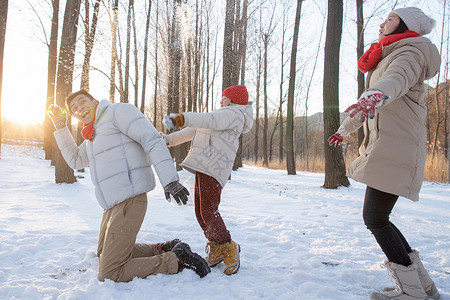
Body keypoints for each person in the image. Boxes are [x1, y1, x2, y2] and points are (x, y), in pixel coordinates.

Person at [328, 7, 441, 300]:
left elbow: (393, 82)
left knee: (375, 218)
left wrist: (376, 95)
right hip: (387, 147)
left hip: (397, 147)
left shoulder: (410, 53)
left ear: (405, 24)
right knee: (380, 217)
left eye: (389, 19)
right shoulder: (392, 54)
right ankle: (423, 287)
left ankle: (412, 291)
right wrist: (345, 129)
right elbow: (371, 102)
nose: (382, 23)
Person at [47, 89, 210, 282]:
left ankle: (176, 260)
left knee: (110, 272)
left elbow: (151, 139)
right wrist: (60, 127)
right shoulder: (93, 135)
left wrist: (170, 181)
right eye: (74, 108)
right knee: (103, 256)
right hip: (110, 206)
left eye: (82, 102)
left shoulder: (117, 112)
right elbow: (75, 160)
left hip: (129, 198)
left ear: (94, 101)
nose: (79, 108)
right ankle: (162, 248)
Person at [162, 85, 253, 275]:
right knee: (200, 211)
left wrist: (180, 118)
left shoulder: (234, 114)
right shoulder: (221, 115)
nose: (221, 100)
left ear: (234, 101)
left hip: (215, 168)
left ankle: (228, 246)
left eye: (225, 97)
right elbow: (192, 131)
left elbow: (208, 119)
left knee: (208, 211)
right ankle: (217, 246)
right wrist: (167, 140)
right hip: (205, 167)